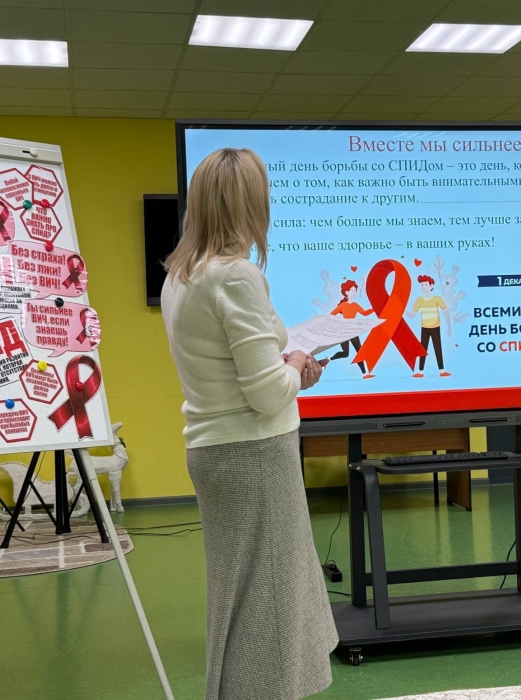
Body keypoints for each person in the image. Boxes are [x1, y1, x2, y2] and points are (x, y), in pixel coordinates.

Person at [161, 148, 338, 700]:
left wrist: (288, 367)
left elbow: (238, 367)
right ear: (250, 205)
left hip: (215, 450)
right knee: (271, 608)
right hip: (254, 452)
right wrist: (295, 367)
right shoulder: (236, 276)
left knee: (241, 600)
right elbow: (265, 395)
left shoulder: (181, 276)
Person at [407, 274, 452, 378]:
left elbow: (446, 311)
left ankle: (442, 370)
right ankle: (420, 371)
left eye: (425, 284)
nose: (423, 287)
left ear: (431, 286)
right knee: (422, 349)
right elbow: (412, 315)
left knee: (438, 348)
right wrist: (403, 311)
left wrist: (449, 327)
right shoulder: (419, 300)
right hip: (425, 328)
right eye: (422, 285)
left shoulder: (437, 299)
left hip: (435, 327)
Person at [329, 279, 375, 378]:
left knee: (360, 351)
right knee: (346, 353)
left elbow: (365, 313)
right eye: (352, 290)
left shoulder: (355, 305)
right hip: (343, 331)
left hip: (353, 331)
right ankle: (328, 359)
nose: (354, 292)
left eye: (355, 290)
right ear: (346, 292)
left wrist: (374, 309)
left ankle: (365, 373)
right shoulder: (343, 305)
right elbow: (332, 314)